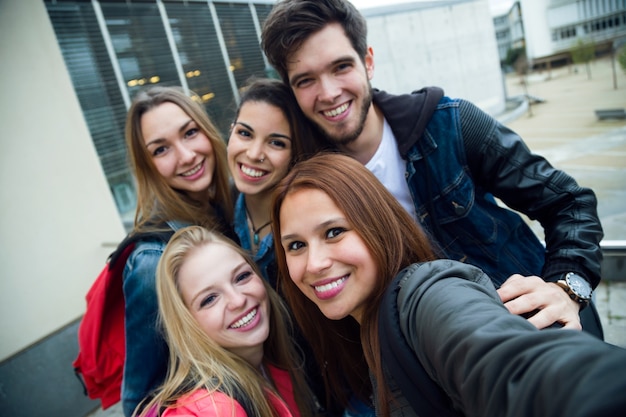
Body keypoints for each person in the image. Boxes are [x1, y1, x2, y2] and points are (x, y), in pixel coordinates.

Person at [260, 0, 604, 337]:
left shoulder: (449, 125)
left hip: (538, 332)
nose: (329, 92)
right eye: (306, 80)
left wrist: (566, 289)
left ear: (368, 62)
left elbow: (569, 203)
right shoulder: (307, 185)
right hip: (444, 369)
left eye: (341, 67)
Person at [271, 153, 626, 417]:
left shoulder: (427, 295)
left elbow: (526, 375)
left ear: (378, 226)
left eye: (334, 232)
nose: (314, 263)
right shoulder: (364, 334)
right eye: (296, 245)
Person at [121, 86, 237, 417]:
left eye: (190, 133)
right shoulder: (151, 263)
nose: (186, 156)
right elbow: (139, 395)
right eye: (161, 150)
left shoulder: (233, 209)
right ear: (148, 167)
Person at [135, 226, 316, 417]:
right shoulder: (211, 410)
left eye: (242, 276)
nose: (238, 301)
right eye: (209, 299)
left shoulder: (272, 366)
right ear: (187, 322)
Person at [227, 78, 316, 287]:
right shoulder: (215, 214)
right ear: (231, 132)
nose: (254, 153)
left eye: (276, 143)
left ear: (296, 152)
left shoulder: (310, 227)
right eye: (245, 133)